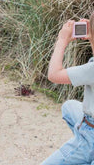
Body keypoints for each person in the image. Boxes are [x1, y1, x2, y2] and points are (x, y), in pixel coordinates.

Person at [41, 15, 94, 165]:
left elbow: (54, 74)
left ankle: (85, 152)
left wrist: (62, 41)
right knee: (69, 106)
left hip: (91, 134)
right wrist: (92, 38)